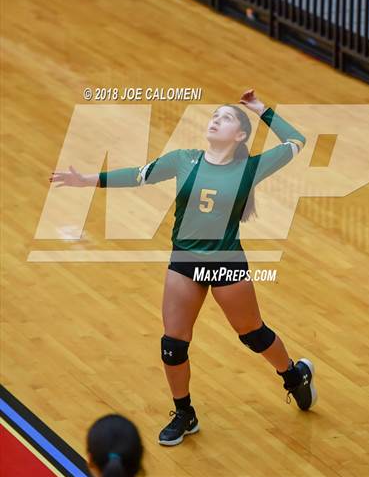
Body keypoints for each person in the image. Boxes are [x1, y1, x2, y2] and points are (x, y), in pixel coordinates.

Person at [51, 89, 317, 448]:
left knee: (253, 334)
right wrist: (88, 180)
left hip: (225, 262)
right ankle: (184, 413)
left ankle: (293, 375)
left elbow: (297, 140)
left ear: (239, 135)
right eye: (215, 115)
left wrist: (260, 110)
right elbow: (139, 175)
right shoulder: (184, 159)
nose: (216, 120)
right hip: (184, 261)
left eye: (225, 118)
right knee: (172, 345)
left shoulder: (250, 168)